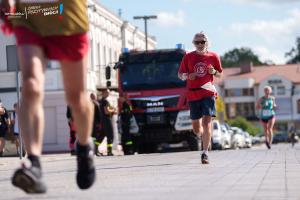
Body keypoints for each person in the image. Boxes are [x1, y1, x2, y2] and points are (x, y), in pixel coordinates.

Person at [1, 0, 95, 193]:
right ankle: (34, 162)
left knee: (76, 97)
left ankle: (84, 147)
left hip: (65, 13)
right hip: (29, 15)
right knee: (31, 85)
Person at [178, 32, 222, 164]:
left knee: (207, 122)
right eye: (197, 42)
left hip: (208, 92)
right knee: (196, 127)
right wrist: (187, 76)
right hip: (193, 94)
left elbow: (220, 74)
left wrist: (213, 72)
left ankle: (205, 153)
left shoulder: (214, 56)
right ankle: (203, 137)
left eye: (202, 42)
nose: (200, 44)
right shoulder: (188, 57)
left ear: (206, 42)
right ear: (194, 44)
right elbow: (180, 74)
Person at [99, 89, 117, 156]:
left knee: (101, 136)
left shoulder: (100, 101)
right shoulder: (105, 101)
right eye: (107, 93)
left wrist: (111, 109)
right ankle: (109, 151)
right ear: (104, 93)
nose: (108, 94)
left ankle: (95, 150)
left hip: (103, 120)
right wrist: (113, 111)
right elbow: (106, 111)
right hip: (107, 120)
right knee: (110, 135)